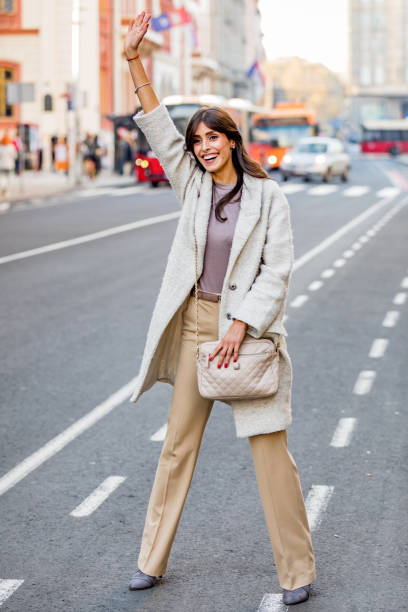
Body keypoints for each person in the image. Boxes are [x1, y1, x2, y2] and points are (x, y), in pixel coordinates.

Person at [125, 12, 316, 606]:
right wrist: (134, 59)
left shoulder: (267, 196)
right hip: (194, 331)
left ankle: (298, 571)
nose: (205, 148)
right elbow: (157, 126)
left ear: (232, 140)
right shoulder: (193, 187)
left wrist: (240, 324)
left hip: (247, 339)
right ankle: (150, 561)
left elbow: (277, 270)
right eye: (197, 141)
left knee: (270, 454)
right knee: (176, 447)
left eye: (214, 138)